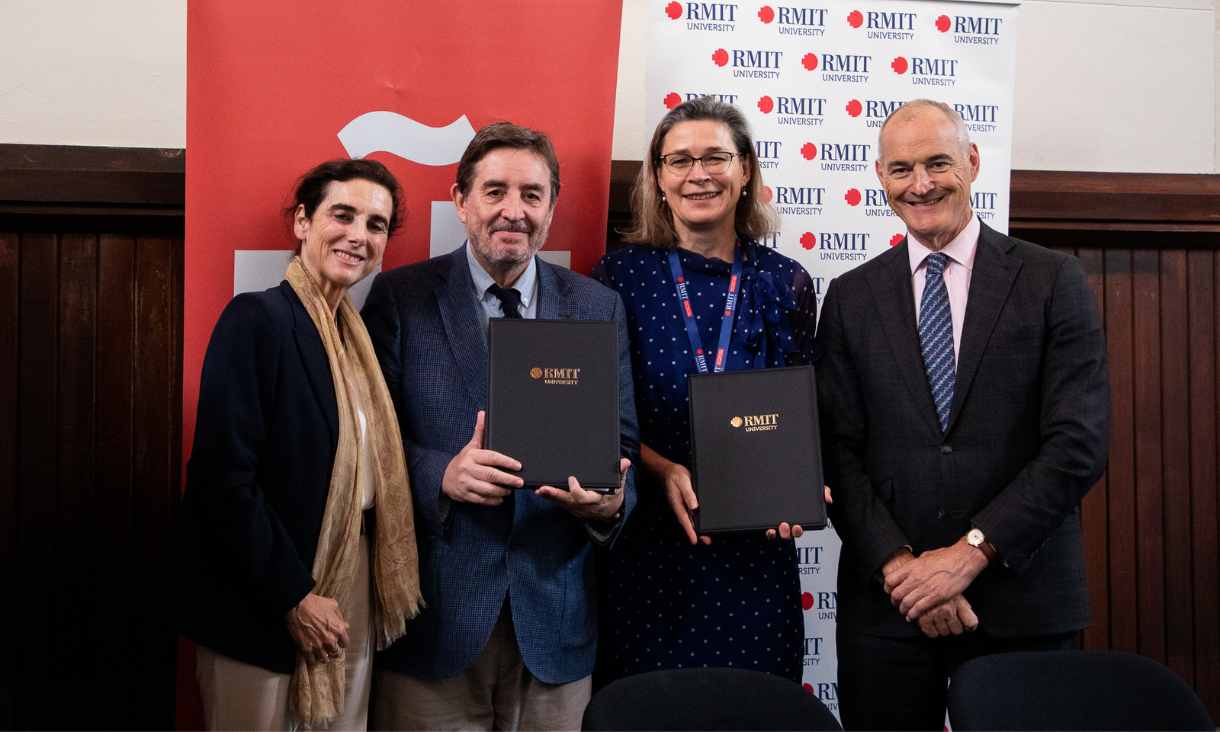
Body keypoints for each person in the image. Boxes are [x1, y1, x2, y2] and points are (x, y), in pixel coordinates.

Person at [814, 99, 1110, 730]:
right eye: (900, 170)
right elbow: (835, 448)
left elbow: (1078, 443)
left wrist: (967, 556)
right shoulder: (848, 298)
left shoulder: (1054, 279)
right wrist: (906, 573)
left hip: (1023, 602)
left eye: (937, 163)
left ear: (972, 163)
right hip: (889, 610)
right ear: (880, 179)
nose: (920, 184)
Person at [362, 122, 639, 731]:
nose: (513, 211)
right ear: (460, 201)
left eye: (531, 195)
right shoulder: (400, 297)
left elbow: (622, 448)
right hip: (433, 623)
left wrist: (610, 503)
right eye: (494, 191)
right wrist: (442, 474)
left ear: (552, 208)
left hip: (557, 627)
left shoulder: (596, 306)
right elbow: (368, 446)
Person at [177, 159, 423, 730]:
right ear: (303, 222)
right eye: (343, 214)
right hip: (267, 592)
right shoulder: (257, 319)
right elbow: (222, 482)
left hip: (353, 575)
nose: (358, 235)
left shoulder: (355, 340)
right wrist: (293, 596)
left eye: (376, 224)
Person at [592, 97, 818, 686]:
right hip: (650, 544)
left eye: (716, 157)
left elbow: (801, 413)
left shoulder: (784, 280)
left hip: (755, 551)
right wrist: (661, 468)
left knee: (754, 711)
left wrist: (793, 490)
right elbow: (599, 414)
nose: (699, 174)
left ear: (745, 170)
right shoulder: (618, 276)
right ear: (659, 178)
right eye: (680, 160)